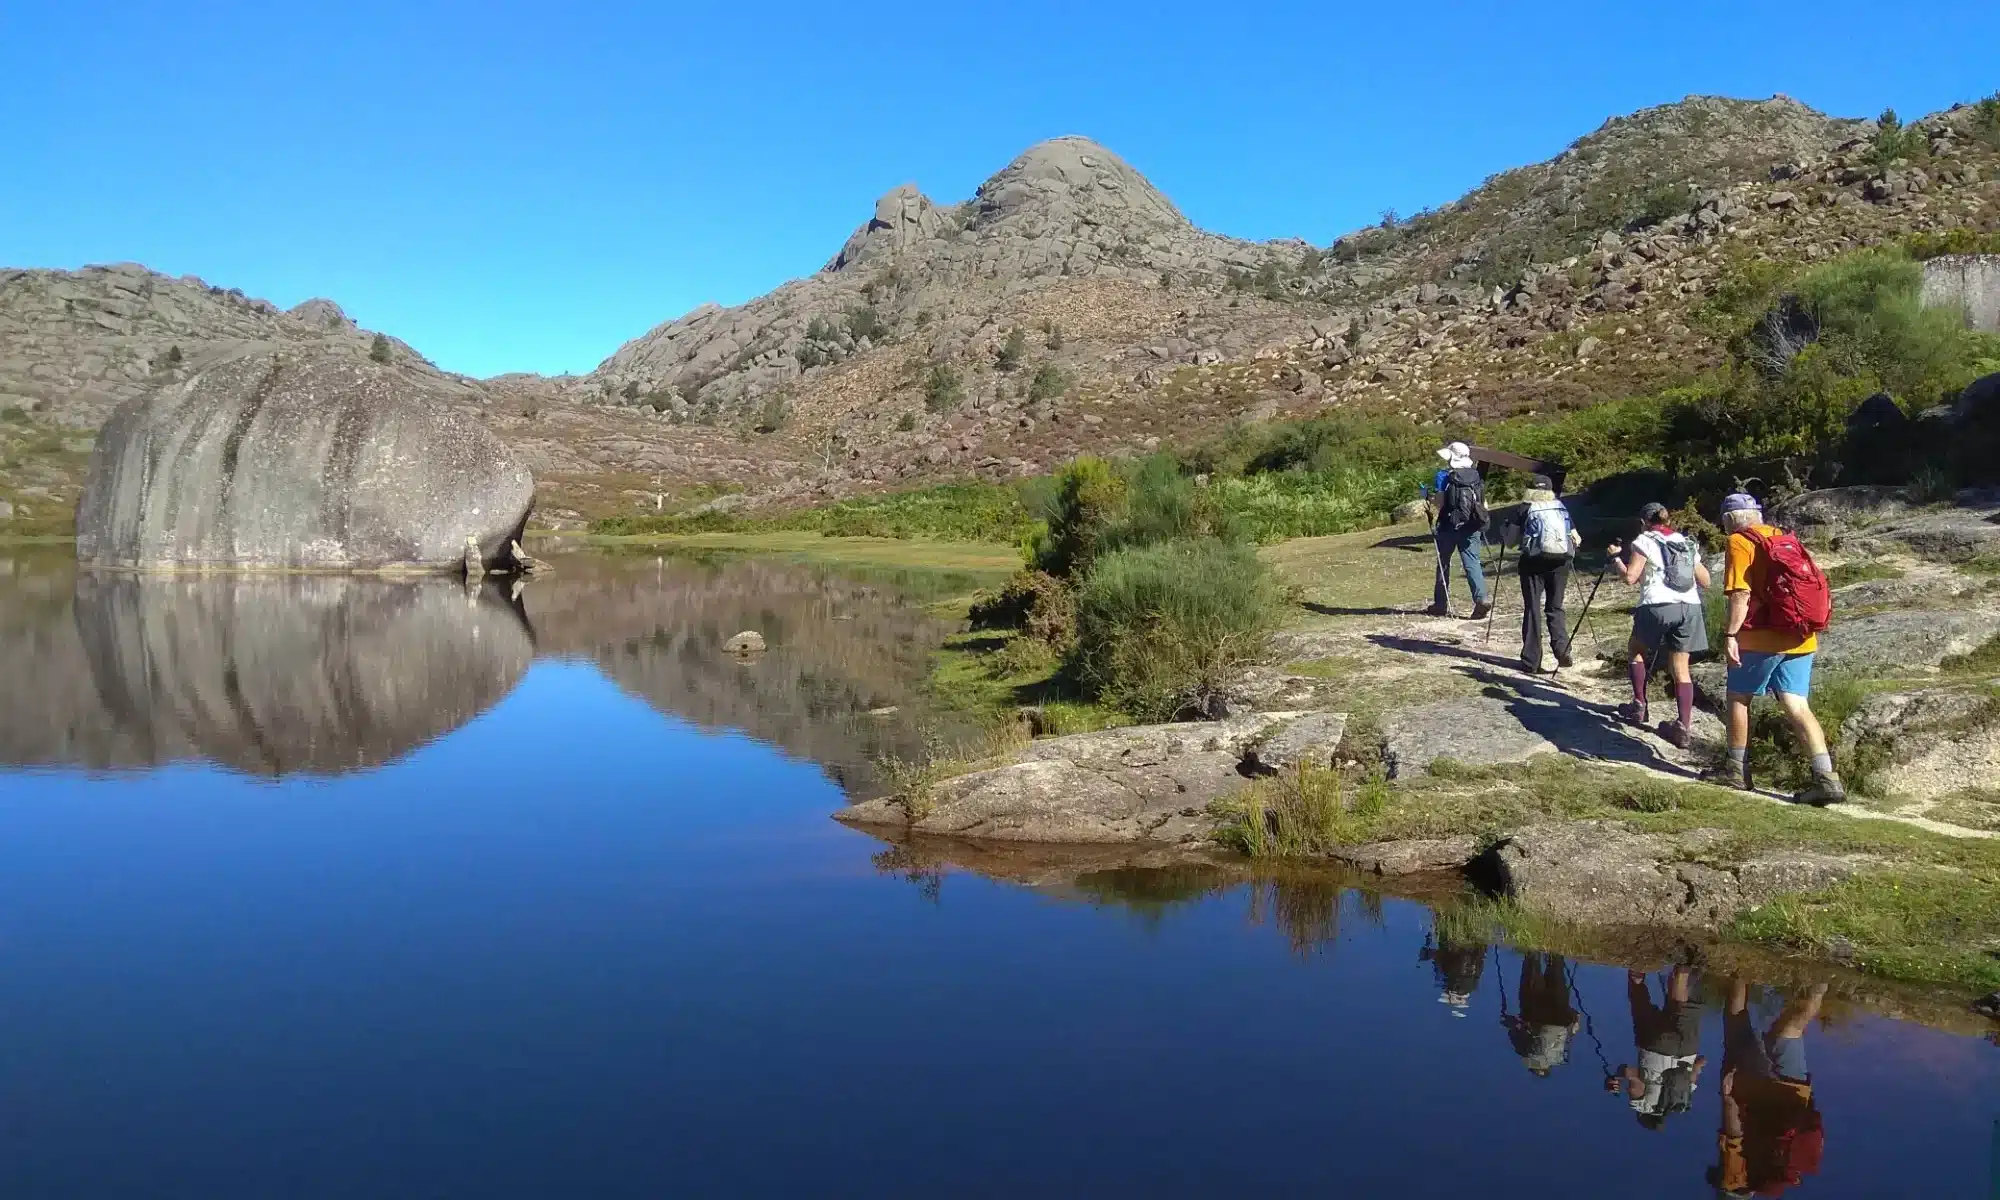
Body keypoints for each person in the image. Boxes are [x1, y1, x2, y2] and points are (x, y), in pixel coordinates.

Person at [1712, 493, 1844, 804]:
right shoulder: (1785, 538)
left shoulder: (1739, 542)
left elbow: (1740, 596)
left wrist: (1730, 634)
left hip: (1761, 637)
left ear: (1730, 520)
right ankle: (1826, 779)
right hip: (1800, 635)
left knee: (1738, 698)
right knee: (1797, 704)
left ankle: (1736, 770)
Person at [1606, 503, 1711, 749]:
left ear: (1643, 522)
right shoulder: (1686, 543)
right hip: (1689, 606)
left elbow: (1630, 578)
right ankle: (1683, 727)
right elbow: (1705, 581)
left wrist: (1615, 559)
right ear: (1668, 519)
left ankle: (1639, 705)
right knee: (1681, 668)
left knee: (1636, 650)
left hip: (1656, 605)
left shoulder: (1644, 541)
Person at [1708, 979, 1826, 1197]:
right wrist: (1728, 1099)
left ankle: (1822, 981)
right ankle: (1740, 963)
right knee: (1737, 1024)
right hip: (1751, 1090)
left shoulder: (1768, 1177)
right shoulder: (1732, 1181)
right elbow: (1734, 1136)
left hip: (1791, 1096)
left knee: (1790, 1031)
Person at [1606, 965, 1706, 1129]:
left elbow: (1700, 1063)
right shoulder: (1643, 1105)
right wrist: (1619, 1076)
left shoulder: (1681, 1098)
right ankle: (1637, 977)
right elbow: (1633, 1074)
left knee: (1679, 1008)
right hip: (1656, 1046)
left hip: (1688, 1047)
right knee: (1641, 1009)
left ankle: (1684, 969)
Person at [1512, 474, 1580, 673]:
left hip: (1532, 562)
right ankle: (1562, 649)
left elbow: (1511, 541)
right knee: (1555, 607)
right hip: (1561, 562)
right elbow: (1577, 538)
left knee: (1532, 608)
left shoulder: (1524, 508)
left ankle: (1531, 661)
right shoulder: (1560, 507)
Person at [1425, 442, 1491, 620]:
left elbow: (1439, 503)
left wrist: (1427, 497)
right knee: (1472, 562)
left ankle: (1441, 603)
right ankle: (1481, 598)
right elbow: (1482, 502)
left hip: (1448, 524)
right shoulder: (1475, 475)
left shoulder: (1443, 476)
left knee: (1443, 563)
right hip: (1472, 525)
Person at [1504, 951, 1580, 1076]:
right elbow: (1513, 1029)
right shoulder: (1525, 1053)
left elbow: (1572, 1029)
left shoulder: (1558, 1056)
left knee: (1556, 969)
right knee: (1532, 968)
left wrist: (1574, 1018)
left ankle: (1555, 945)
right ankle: (1532, 948)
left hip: (1560, 1017)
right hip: (1534, 1013)